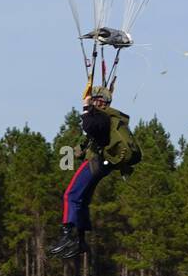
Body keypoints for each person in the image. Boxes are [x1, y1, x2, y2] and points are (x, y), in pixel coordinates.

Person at [50, 86, 141, 259]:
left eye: (93, 100)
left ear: (99, 101)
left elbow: (89, 126)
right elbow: (90, 137)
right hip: (101, 163)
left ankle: (67, 234)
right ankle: (80, 240)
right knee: (82, 200)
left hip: (95, 163)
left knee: (71, 195)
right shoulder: (106, 118)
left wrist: (85, 107)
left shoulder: (102, 118)